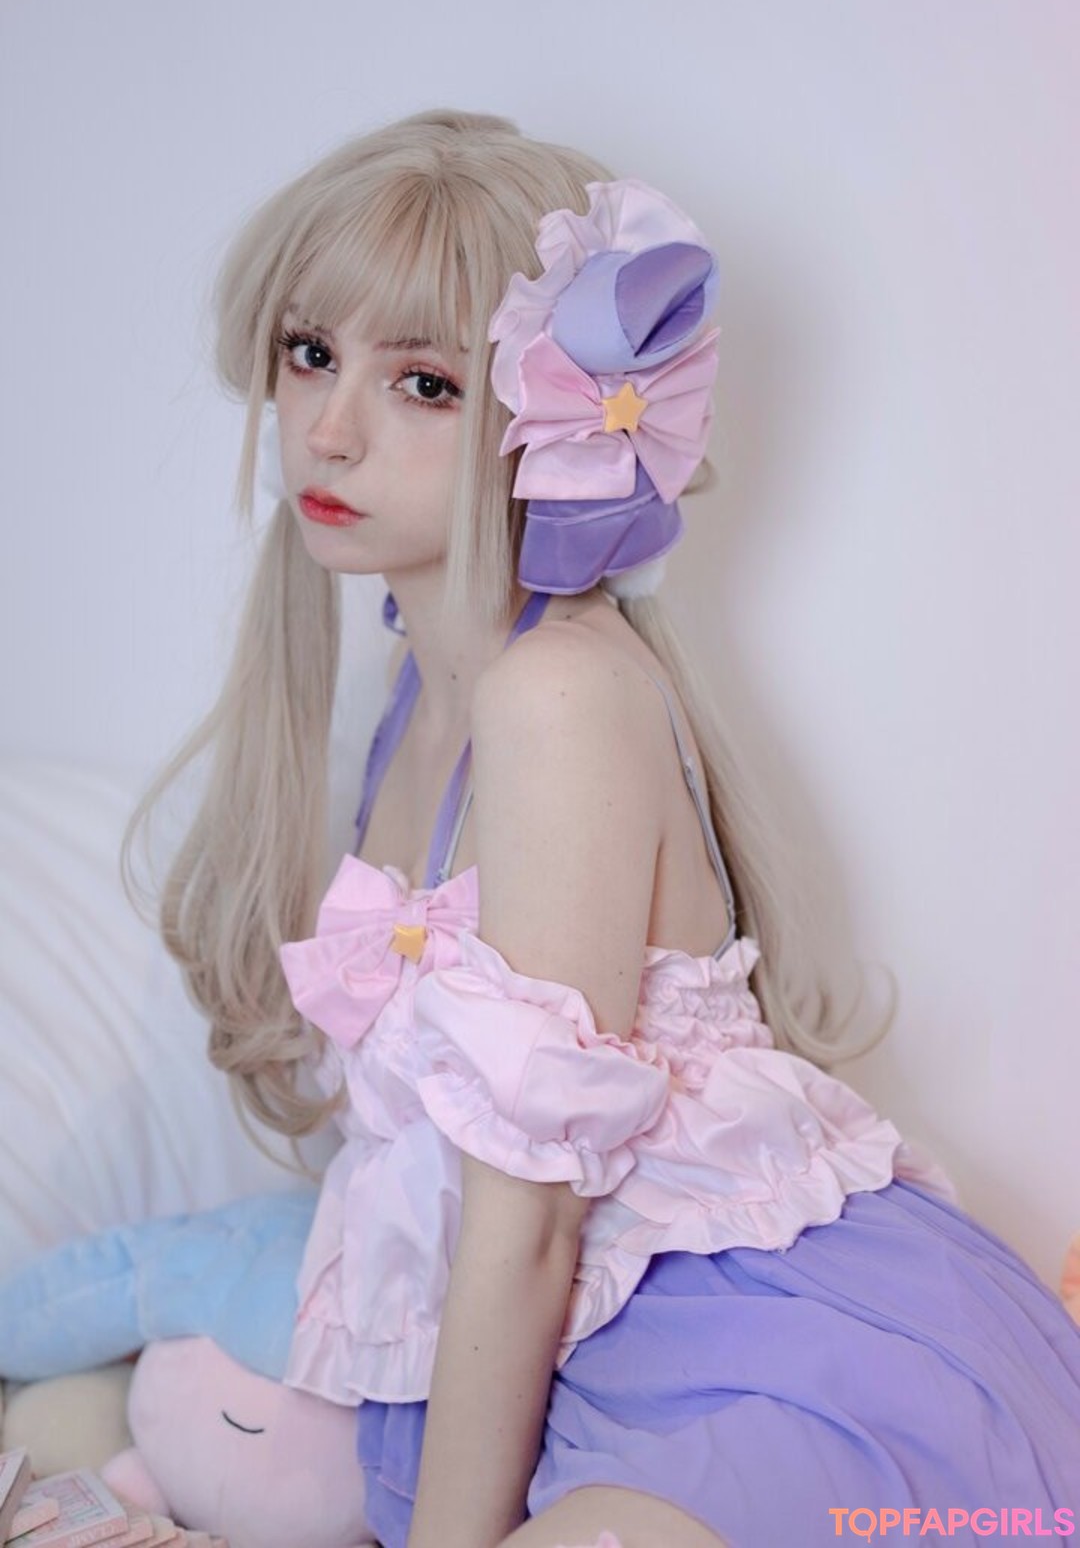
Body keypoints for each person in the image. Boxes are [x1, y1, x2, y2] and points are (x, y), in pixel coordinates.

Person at [122, 109, 1080, 1548]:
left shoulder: (555, 695)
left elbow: (528, 1228)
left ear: (549, 417)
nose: (329, 427)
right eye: (311, 353)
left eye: (425, 382)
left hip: (758, 1350)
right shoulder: (419, 692)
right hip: (588, 1359)